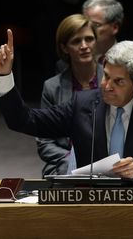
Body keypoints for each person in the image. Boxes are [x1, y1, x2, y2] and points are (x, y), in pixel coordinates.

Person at [0, 29, 133, 181]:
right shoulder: (82, 104)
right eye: (106, 76)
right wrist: (4, 76)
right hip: (92, 202)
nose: (107, 86)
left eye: (118, 82)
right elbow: (24, 120)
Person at [37, 14, 103, 177]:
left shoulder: (112, 81)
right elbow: (45, 142)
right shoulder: (52, 87)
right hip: (67, 163)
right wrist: (71, 159)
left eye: (89, 39)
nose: (84, 46)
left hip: (109, 159)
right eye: (76, 41)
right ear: (65, 48)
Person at [55, 0, 133, 95]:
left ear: (114, 27)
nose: (87, 29)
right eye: (84, 23)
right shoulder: (67, 63)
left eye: (95, 25)